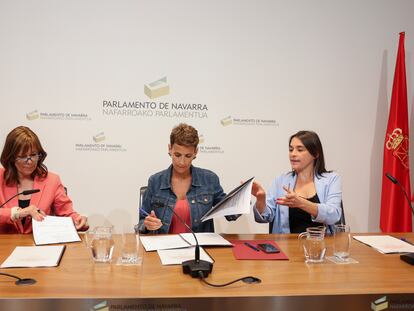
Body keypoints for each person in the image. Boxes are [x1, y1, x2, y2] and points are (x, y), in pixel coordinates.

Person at [138, 123, 238, 234]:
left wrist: (246, 197)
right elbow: (142, 222)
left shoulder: (209, 180)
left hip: (199, 248)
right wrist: (147, 224)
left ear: (196, 152)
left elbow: (231, 214)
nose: (182, 162)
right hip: (164, 248)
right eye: (177, 155)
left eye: (188, 156)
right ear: (170, 149)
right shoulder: (155, 181)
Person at [0, 126, 88, 233]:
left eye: (33, 155)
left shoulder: (52, 180)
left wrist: (78, 220)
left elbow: (67, 213)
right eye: (23, 156)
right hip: (5, 246)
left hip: (39, 246)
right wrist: (17, 213)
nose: (30, 161)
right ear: (11, 157)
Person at [252, 130, 342, 234]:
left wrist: (301, 203)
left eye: (300, 150)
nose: (293, 154)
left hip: (321, 244)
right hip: (287, 246)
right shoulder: (281, 181)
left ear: (315, 154)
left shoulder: (332, 179)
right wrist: (261, 200)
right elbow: (265, 217)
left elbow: (334, 215)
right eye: (291, 149)